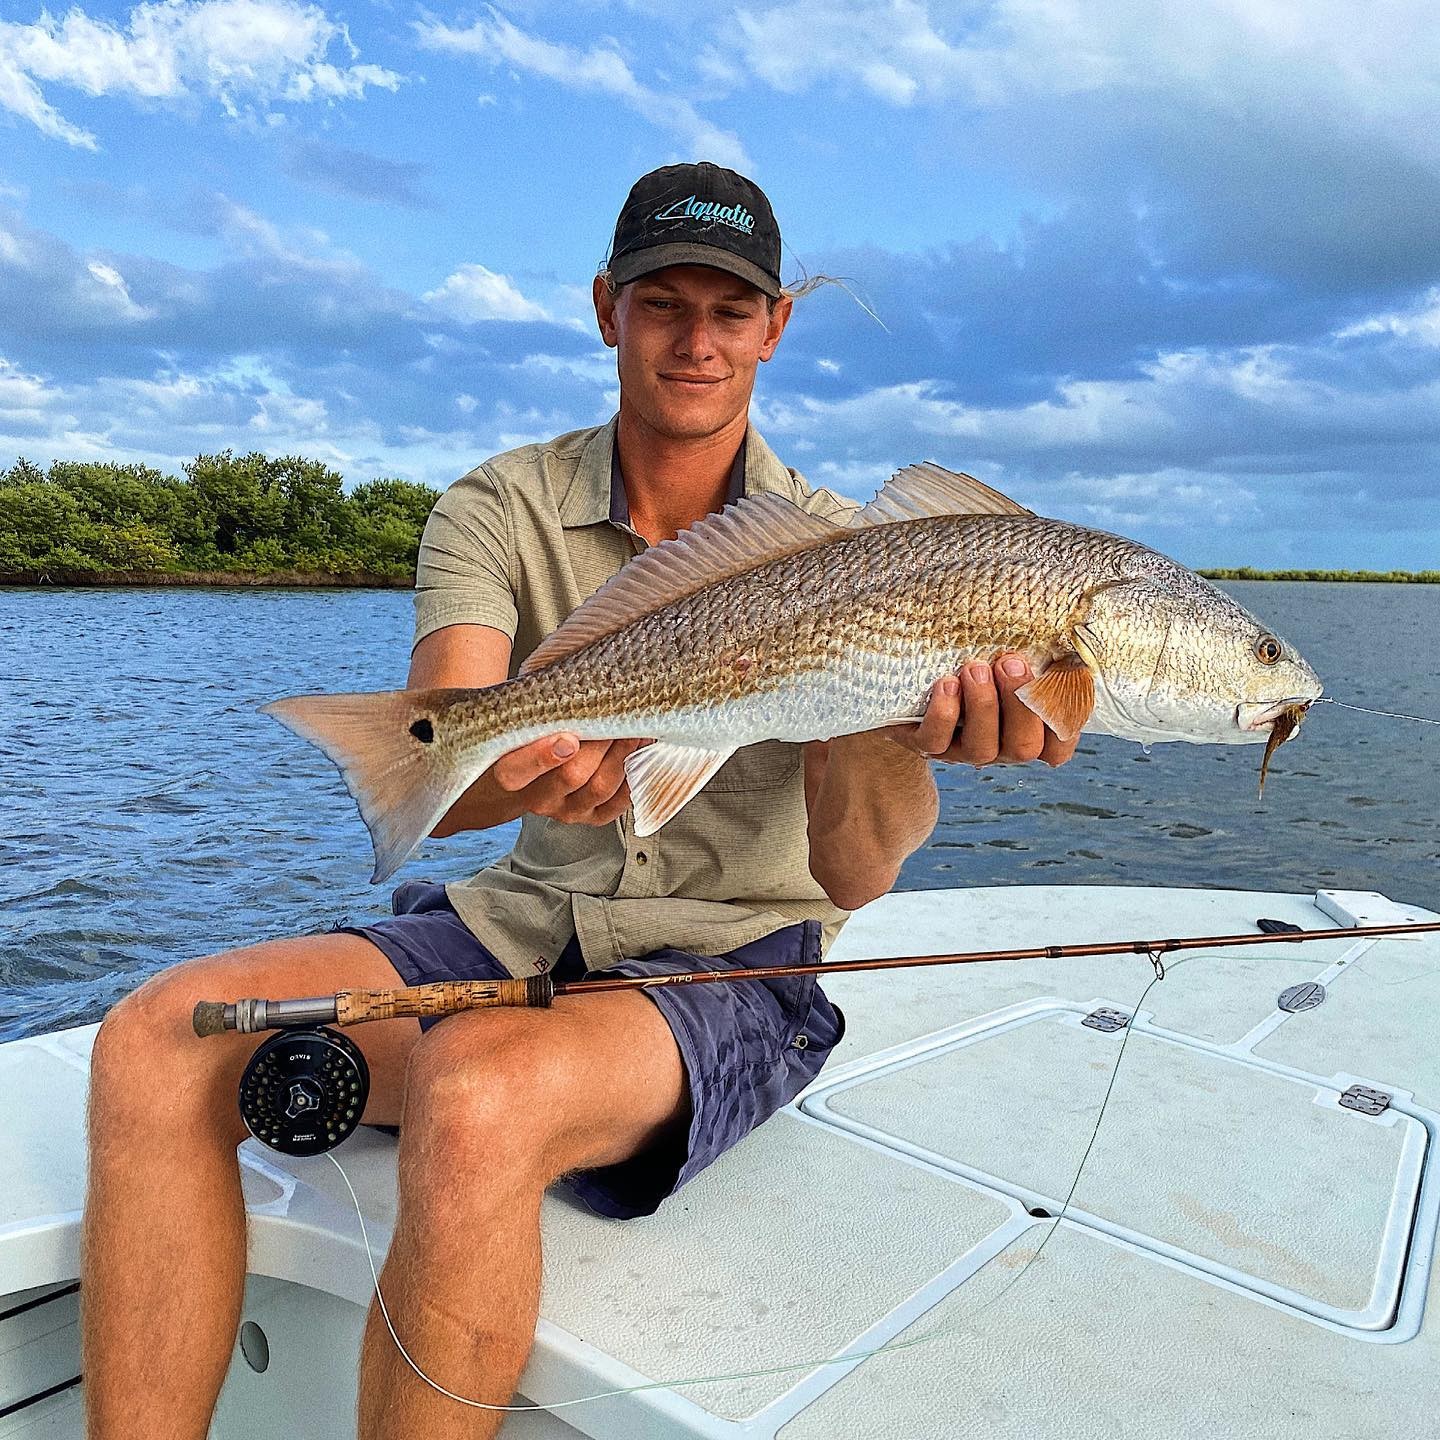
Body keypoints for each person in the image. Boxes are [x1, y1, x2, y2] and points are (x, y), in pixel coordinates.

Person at [81, 161, 1077, 1440]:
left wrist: (897, 719)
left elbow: (853, 880)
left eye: (732, 309)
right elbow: (440, 772)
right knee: (154, 1040)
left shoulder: (854, 557)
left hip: (729, 971)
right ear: (607, 309)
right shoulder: (495, 507)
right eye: (665, 302)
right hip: (511, 925)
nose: (698, 339)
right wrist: (525, 759)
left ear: (776, 327)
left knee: (477, 1090)